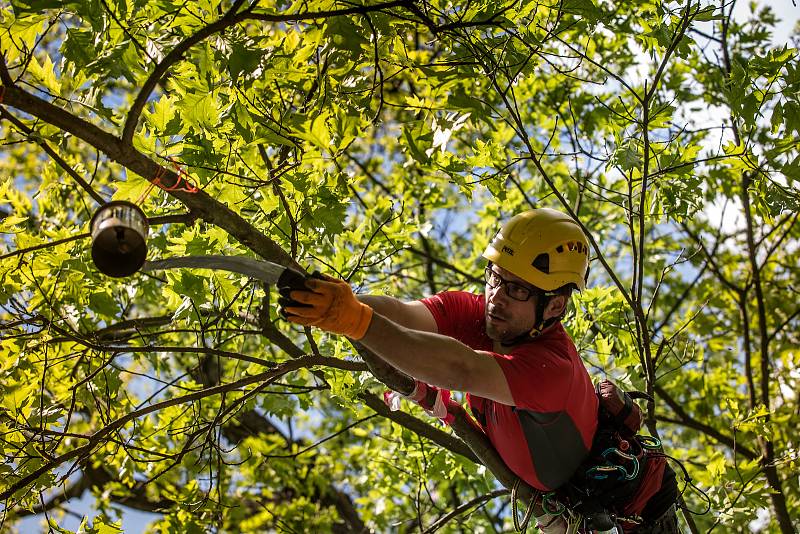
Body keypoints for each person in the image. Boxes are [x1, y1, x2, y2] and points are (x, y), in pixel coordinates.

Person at [279, 208, 676, 533]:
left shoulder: (551, 367)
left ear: (554, 306)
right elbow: (405, 315)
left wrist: (353, 321)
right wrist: (340, 302)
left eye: (517, 290)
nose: (496, 297)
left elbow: (460, 367)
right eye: (495, 278)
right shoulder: (486, 317)